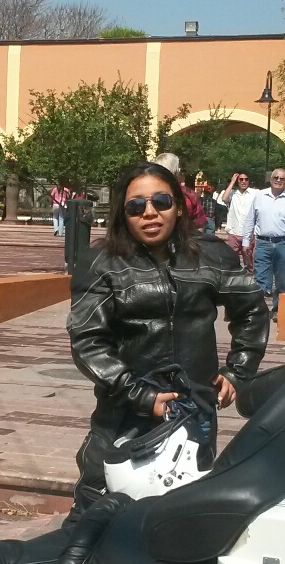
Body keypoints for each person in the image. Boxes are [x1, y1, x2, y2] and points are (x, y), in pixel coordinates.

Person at [67, 161, 269, 517]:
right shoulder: (101, 262)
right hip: (125, 411)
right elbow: (88, 340)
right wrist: (141, 395)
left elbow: (252, 310)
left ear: (178, 206)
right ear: (123, 213)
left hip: (193, 410)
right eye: (136, 206)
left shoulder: (211, 255)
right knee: (97, 512)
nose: (150, 213)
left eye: (161, 201)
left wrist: (238, 370)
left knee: (182, 516)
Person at [241, 168, 285, 314]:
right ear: (271, 179)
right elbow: (250, 220)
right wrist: (245, 242)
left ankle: (278, 309)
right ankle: (260, 311)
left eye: (282, 179)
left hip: (283, 244)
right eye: (276, 177)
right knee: (260, 278)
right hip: (263, 243)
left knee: (282, 280)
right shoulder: (260, 196)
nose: (278, 180)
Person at [221, 173, 256, 269]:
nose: (244, 181)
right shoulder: (233, 193)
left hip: (248, 233)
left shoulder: (255, 193)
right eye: (241, 179)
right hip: (234, 232)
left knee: (249, 260)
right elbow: (224, 198)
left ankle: (250, 276)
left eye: (246, 179)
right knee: (231, 259)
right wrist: (232, 182)